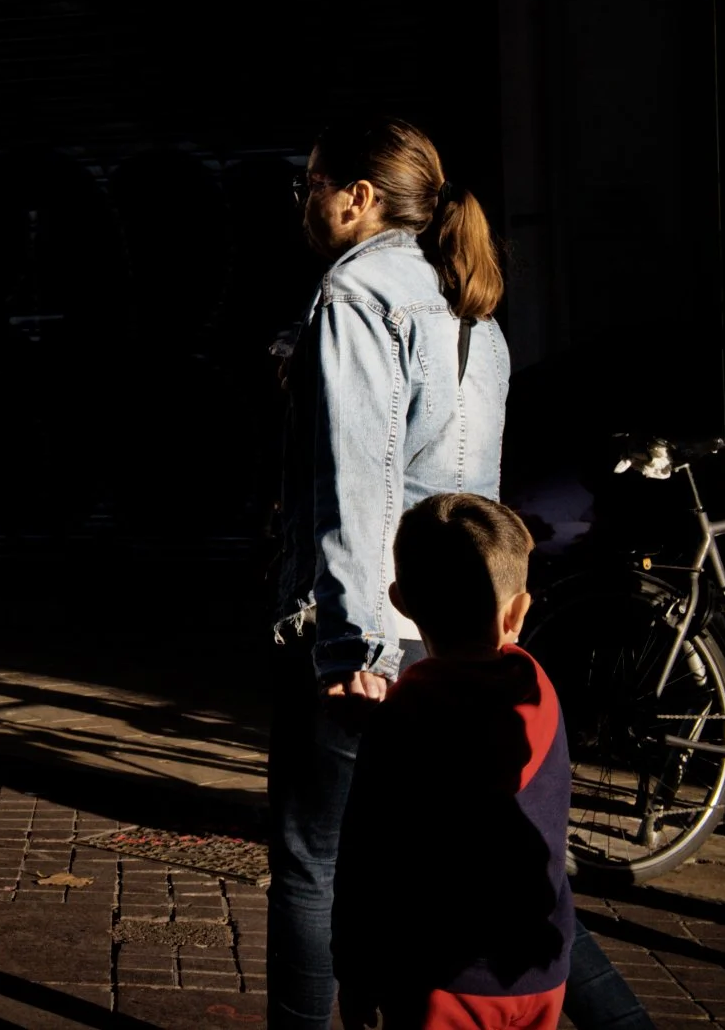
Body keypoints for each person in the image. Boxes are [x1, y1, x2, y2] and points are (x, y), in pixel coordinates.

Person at [267, 118, 645, 1030]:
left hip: (374, 630)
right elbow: (474, 500)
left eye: (312, 182)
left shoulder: (358, 293)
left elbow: (357, 484)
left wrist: (349, 648)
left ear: (358, 197)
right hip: (456, 632)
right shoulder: (469, 300)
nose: (305, 200)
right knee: (498, 857)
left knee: (312, 865)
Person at [334, 494, 571, 1030]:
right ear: (518, 611)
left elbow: (366, 861)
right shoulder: (541, 691)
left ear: (401, 602)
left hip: (437, 973)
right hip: (539, 970)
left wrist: (354, 969)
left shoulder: (406, 715)